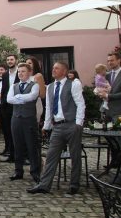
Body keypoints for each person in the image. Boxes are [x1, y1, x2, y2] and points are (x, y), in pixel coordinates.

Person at [28, 61, 85, 195]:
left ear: (64, 71)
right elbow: (48, 108)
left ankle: (74, 184)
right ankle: (44, 184)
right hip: (57, 126)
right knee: (51, 155)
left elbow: (80, 104)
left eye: (56, 68)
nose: (53, 70)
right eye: (53, 68)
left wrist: (78, 123)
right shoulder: (51, 87)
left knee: (75, 155)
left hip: (71, 124)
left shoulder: (74, 84)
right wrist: (46, 125)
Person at [8, 63, 41, 183]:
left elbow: (32, 97)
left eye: (23, 71)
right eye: (19, 72)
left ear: (29, 73)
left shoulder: (35, 85)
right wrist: (22, 98)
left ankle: (35, 172)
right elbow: (8, 99)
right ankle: (18, 171)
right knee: (18, 146)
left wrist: (17, 98)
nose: (20, 74)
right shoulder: (14, 86)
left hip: (29, 119)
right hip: (16, 119)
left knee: (31, 146)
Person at [0, 54, 20, 162]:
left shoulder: (20, 73)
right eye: (8, 60)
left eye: (11, 59)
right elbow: (3, 91)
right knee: (8, 131)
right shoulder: (5, 74)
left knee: (17, 132)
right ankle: (11, 155)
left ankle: (19, 155)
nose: (9, 61)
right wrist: (2, 104)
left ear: (16, 60)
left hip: (18, 105)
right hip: (6, 107)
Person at [99, 52, 121, 120]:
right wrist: (99, 92)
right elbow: (100, 89)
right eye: (108, 61)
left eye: (112, 60)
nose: (109, 63)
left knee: (119, 130)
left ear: (119, 60)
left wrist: (107, 95)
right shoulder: (106, 75)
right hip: (104, 110)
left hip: (118, 112)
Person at [26, 56, 47, 124]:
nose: (27, 65)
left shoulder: (38, 76)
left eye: (30, 63)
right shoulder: (24, 76)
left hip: (35, 104)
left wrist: (32, 94)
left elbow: (43, 94)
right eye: (26, 63)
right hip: (25, 104)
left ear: (34, 64)